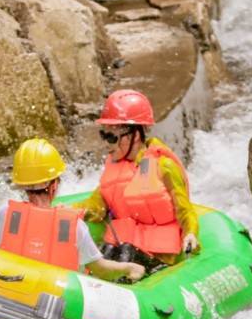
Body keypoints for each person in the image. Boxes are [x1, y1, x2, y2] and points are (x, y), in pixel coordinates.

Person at [0, 138, 146, 282]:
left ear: (22, 185)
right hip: (56, 303)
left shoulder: (6, 214)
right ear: (55, 184)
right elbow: (101, 270)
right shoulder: (73, 226)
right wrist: (129, 267)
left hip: (13, 291)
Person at [80, 89, 199, 268]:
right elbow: (96, 207)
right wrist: (69, 213)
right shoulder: (114, 170)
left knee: (124, 252)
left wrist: (190, 233)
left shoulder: (163, 166)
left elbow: (185, 210)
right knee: (107, 254)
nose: (106, 143)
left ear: (134, 135)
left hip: (159, 257)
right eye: (104, 135)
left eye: (112, 137)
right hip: (123, 250)